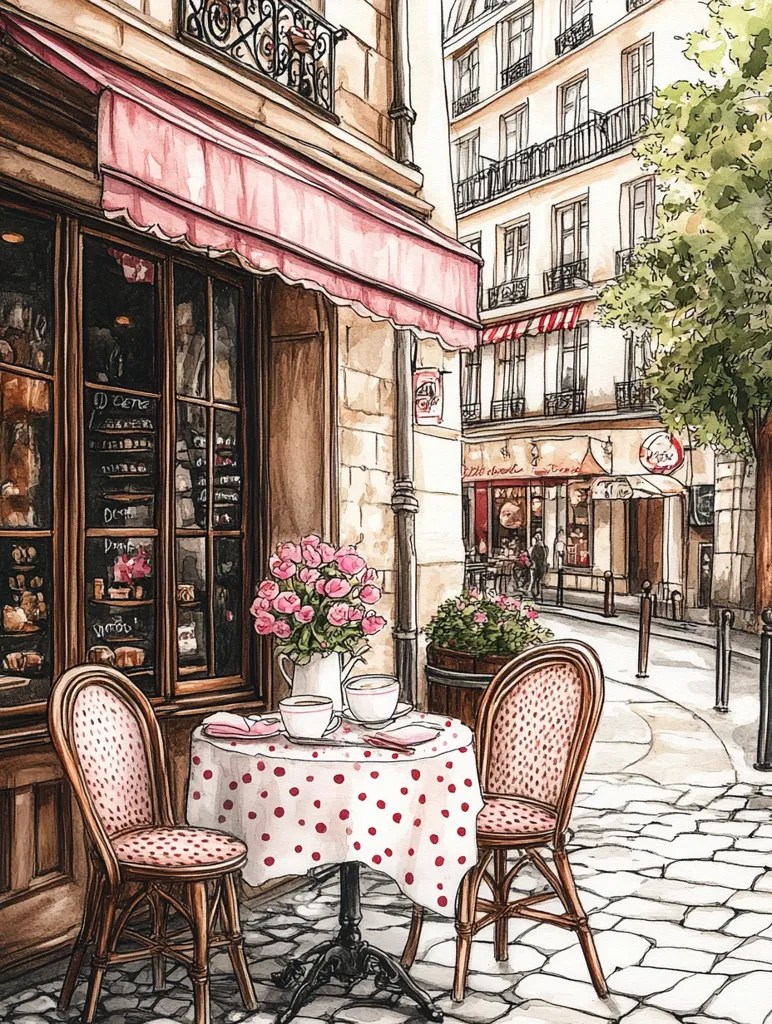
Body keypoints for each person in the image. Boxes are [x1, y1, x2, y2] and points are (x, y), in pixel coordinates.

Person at [529, 531, 549, 600]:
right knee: (536, 579)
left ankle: (535, 592)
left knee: (536, 579)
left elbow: (534, 556)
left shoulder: (540, 547)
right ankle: (535, 592)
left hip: (539, 564)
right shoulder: (540, 548)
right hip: (538, 565)